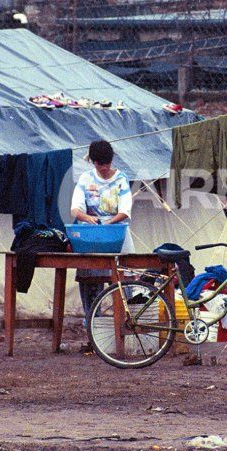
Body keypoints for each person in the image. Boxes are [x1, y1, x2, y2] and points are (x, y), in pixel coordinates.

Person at [71, 140, 134, 338]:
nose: (104, 168)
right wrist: (88, 218)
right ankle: (94, 329)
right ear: (94, 162)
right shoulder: (85, 179)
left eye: (107, 163)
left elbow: (125, 210)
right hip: (92, 235)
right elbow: (76, 208)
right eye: (100, 164)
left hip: (117, 234)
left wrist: (109, 223)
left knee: (123, 282)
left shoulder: (121, 179)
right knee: (91, 281)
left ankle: (126, 327)